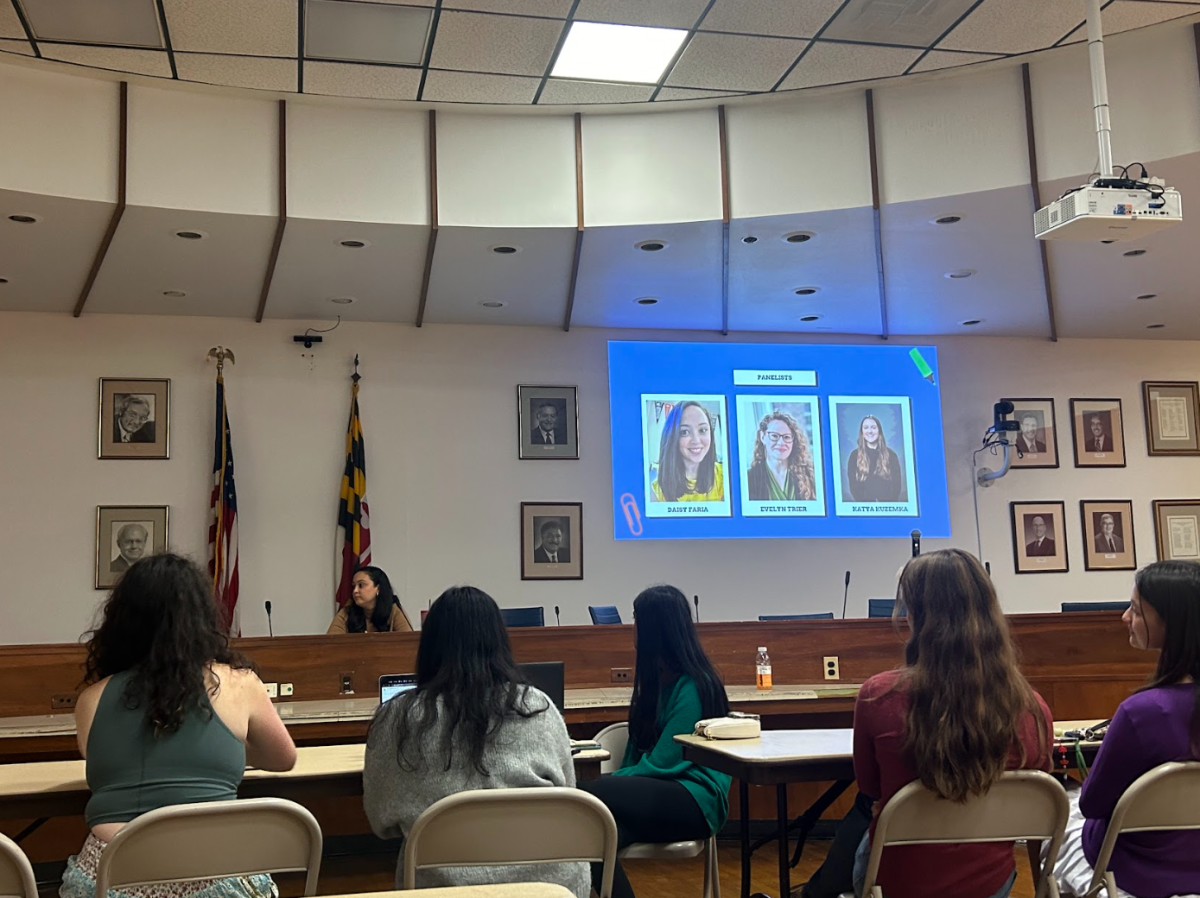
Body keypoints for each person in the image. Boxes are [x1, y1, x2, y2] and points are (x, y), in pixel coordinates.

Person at [62, 554, 297, 898]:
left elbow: (97, 756)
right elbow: (283, 758)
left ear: (122, 620)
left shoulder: (92, 699)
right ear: (203, 617)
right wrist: (223, 751)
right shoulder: (239, 684)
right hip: (215, 874)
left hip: (108, 877)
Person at [844, 549, 1052, 898]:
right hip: (991, 882)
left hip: (896, 882)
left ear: (917, 618)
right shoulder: (1032, 708)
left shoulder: (878, 696)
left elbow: (870, 788)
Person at [363, 586, 587, 896]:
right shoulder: (539, 708)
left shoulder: (397, 717)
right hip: (551, 886)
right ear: (500, 641)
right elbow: (569, 798)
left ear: (429, 646)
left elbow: (381, 822)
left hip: (443, 890)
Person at [1051, 561, 1200, 898]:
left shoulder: (1142, 712)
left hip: (1142, 870)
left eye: (1134, 609)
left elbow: (1093, 805)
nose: (1123, 617)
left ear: (1170, 622)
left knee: (1061, 807)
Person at [578, 585, 732, 898]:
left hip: (694, 799)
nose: (632, 627)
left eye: (636, 619)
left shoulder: (695, 686)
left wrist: (610, 783)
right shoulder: (655, 681)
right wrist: (619, 787)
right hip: (659, 797)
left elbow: (663, 764)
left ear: (654, 627)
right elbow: (639, 756)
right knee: (589, 835)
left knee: (583, 795)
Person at [650, 401, 725, 502]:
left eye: (702, 430)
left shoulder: (725, 477)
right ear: (672, 437)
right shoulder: (658, 490)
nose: (696, 440)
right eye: (684, 432)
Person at [746, 411, 816, 501]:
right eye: (774, 436)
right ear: (762, 437)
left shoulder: (810, 475)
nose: (781, 443)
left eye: (786, 437)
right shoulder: (748, 479)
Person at [327, 566, 412, 634]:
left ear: (378, 589)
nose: (355, 591)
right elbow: (330, 643)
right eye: (354, 586)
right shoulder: (347, 612)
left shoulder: (393, 610)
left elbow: (408, 643)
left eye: (361, 585)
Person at [846, 414, 901, 502]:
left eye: (873, 427)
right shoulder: (854, 456)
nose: (870, 431)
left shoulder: (891, 455)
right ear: (862, 432)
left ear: (879, 431)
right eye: (866, 427)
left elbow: (896, 486)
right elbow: (854, 486)